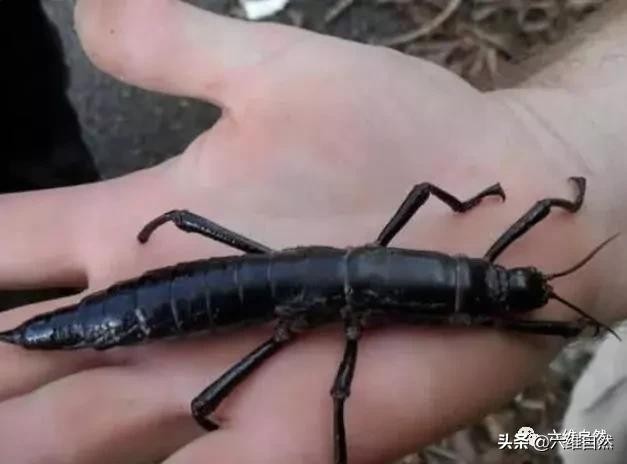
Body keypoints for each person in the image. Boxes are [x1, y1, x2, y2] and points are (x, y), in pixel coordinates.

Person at [0, 0, 626, 462]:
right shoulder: (469, 305)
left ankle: (581, 443)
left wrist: (566, 149)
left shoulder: (463, 288)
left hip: (261, 279)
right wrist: (567, 144)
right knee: (595, 436)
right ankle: (583, 443)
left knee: (593, 437)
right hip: (219, 294)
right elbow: (342, 391)